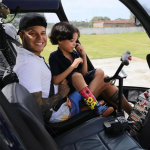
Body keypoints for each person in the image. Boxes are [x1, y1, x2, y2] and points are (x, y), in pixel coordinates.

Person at [49, 22, 133, 116]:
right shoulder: (54, 56)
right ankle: (92, 105)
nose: (74, 44)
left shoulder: (74, 54)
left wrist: (83, 55)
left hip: (84, 90)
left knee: (101, 73)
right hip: (72, 93)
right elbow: (55, 80)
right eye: (72, 41)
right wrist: (72, 66)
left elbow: (84, 74)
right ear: (60, 40)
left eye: (76, 41)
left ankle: (132, 113)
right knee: (76, 75)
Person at [13, 13, 71, 123]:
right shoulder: (29, 65)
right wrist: (62, 94)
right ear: (21, 35)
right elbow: (37, 106)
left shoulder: (31, 57)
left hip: (57, 103)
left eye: (43, 33)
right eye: (32, 33)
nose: (40, 38)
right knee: (103, 85)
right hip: (56, 114)